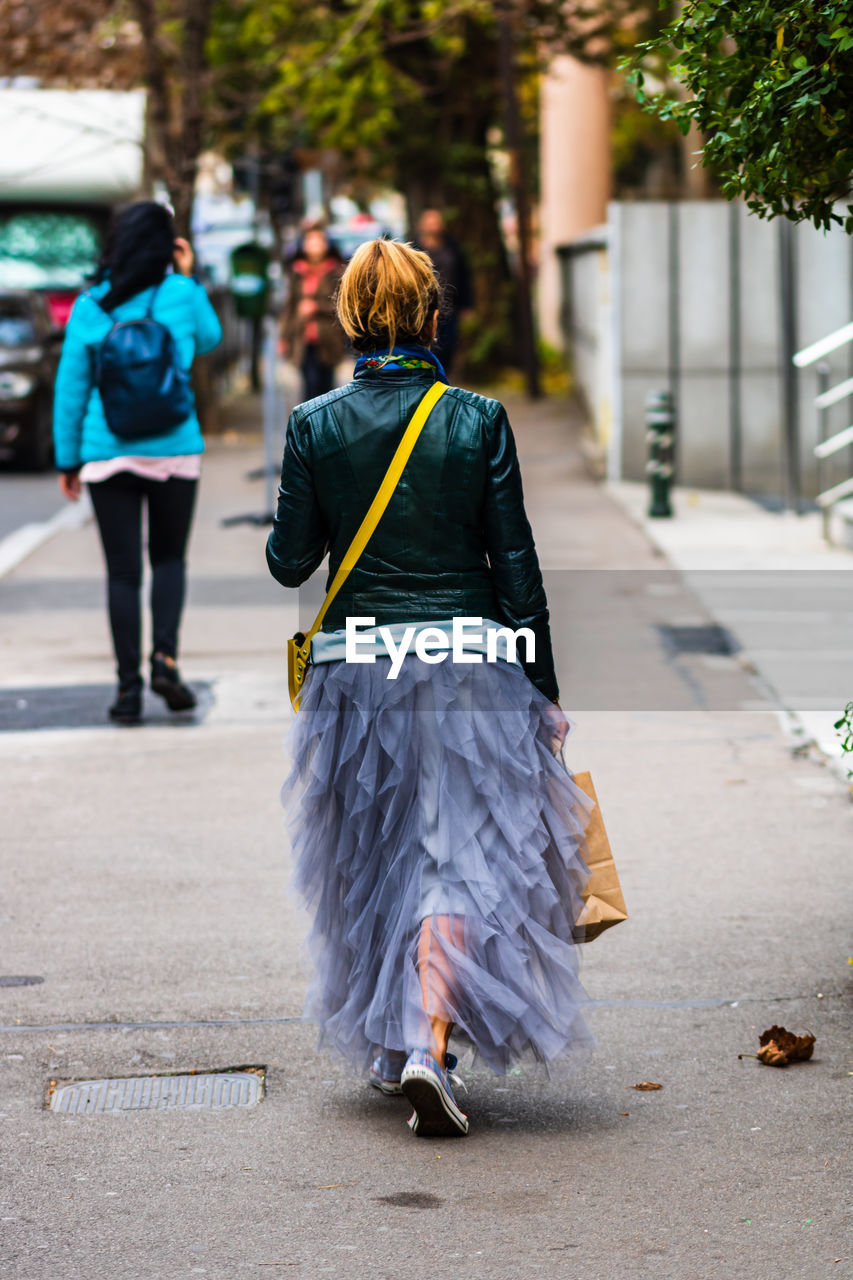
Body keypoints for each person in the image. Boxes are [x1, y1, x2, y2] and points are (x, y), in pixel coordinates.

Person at [266, 239, 592, 1138]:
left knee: (372, 856)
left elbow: (288, 559)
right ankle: (425, 1044)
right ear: (431, 317)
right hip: (466, 668)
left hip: (356, 671)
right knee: (457, 856)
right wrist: (544, 691)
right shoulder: (477, 418)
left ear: (350, 320)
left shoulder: (314, 424)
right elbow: (515, 567)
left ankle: (395, 1040)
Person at [53, 200, 223, 726]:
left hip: (108, 452)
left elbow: (71, 389)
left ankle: (127, 691)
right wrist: (188, 275)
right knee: (169, 561)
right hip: (174, 449)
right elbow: (210, 341)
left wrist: (68, 459)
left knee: (122, 575)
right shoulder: (182, 294)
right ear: (166, 244)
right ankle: (165, 661)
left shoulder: (92, 305)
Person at [279, 223, 346, 403]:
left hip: (328, 337)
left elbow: (340, 305)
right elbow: (289, 307)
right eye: (310, 241)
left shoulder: (335, 271)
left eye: (318, 241)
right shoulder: (297, 272)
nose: (314, 246)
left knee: (326, 389)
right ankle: (309, 428)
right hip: (303, 336)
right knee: (308, 387)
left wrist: (315, 307)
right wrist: (284, 337)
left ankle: (325, 429)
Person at [413, 208, 474, 374]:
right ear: (422, 225)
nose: (434, 226)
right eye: (430, 222)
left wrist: (467, 305)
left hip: (450, 306)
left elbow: (464, 276)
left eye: (436, 222)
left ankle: (442, 376)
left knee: (449, 345)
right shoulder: (414, 249)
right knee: (426, 345)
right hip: (424, 308)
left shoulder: (453, 247)